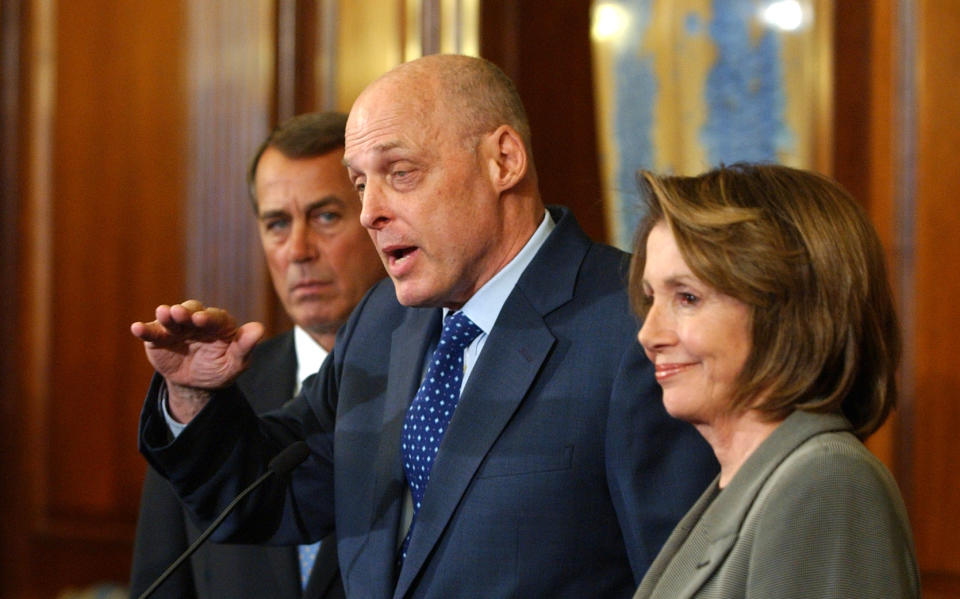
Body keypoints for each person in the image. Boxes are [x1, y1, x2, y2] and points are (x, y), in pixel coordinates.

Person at [132, 54, 717, 598]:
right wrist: (193, 395)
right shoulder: (383, 321)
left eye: (400, 172)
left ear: (503, 160)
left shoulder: (635, 326)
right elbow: (269, 495)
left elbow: (677, 578)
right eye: (361, 183)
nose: (369, 212)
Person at [629, 163, 920, 598]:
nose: (649, 335)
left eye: (687, 298)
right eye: (653, 299)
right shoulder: (750, 484)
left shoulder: (825, 484)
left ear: (788, 313)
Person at [128, 112, 385, 599]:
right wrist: (191, 397)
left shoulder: (429, 381)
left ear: (378, 218)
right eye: (277, 224)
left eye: (326, 216)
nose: (298, 250)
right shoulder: (207, 399)